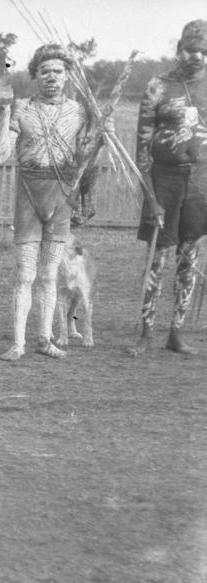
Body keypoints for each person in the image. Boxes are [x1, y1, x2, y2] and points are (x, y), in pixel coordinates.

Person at [0, 44, 90, 361]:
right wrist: (3, 119)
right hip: (29, 192)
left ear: (67, 76)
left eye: (58, 71)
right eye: (45, 70)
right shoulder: (22, 107)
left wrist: (101, 133)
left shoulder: (79, 111)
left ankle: (44, 339)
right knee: (25, 274)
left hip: (61, 195)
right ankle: (18, 343)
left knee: (50, 274)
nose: (51, 76)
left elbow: (86, 156)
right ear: (35, 75)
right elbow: (0, 152)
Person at [129, 19, 207, 356]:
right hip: (164, 179)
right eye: (192, 50)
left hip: (200, 179)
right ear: (179, 49)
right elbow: (141, 147)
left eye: (205, 51)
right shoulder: (157, 86)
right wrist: (150, 193)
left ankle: (175, 333)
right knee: (158, 257)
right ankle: (146, 332)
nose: (198, 57)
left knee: (189, 257)